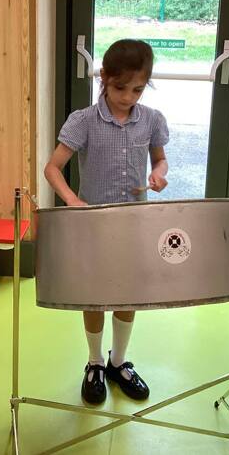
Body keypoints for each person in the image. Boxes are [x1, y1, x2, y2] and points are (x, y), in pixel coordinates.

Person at [44, 39, 169, 404]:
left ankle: (118, 361)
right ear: (104, 78)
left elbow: (160, 160)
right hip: (95, 226)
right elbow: (52, 168)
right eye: (120, 88)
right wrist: (72, 200)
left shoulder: (151, 119)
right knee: (95, 295)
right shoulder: (83, 121)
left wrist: (159, 175)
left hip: (134, 224)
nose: (128, 97)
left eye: (137, 89)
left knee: (127, 293)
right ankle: (95, 361)